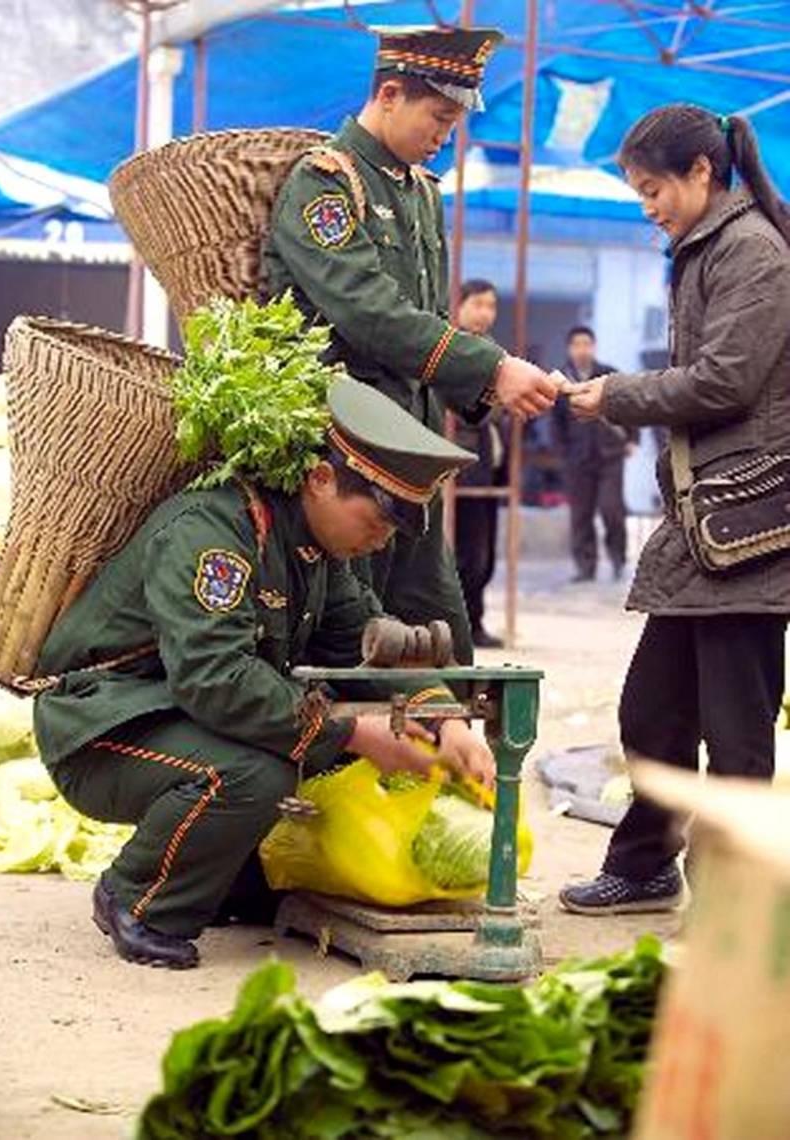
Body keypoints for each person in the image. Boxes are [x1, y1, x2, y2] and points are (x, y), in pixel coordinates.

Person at [33, 379, 496, 968]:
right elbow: (214, 676)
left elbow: (365, 644)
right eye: (379, 517)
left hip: (176, 715)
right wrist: (352, 733)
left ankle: (231, 882)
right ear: (321, 479)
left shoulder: (312, 547)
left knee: (330, 749)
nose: (383, 537)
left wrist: (442, 716)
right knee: (258, 769)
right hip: (104, 724)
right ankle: (138, 898)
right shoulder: (215, 532)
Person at [558, 105, 790, 914]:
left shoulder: (753, 251)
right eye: (639, 192)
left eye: (654, 188)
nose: (647, 205)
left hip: (749, 525)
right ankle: (647, 865)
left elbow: (727, 380)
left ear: (701, 172)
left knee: (736, 733)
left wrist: (615, 396)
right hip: (707, 526)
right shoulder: (705, 247)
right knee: (653, 711)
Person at [265, 26, 558, 662]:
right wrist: (493, 367)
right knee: (354, 654)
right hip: (346, 464)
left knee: (443, 650)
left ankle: (443, 761)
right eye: (440, 116)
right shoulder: (324, 185)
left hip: (415, 458)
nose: (445, 135)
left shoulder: (421, 192)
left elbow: (426, 320)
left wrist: (490, 389)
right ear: (390, 94)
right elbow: (370, 314)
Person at [552, 326, 638, 582]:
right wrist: (562, 452)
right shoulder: (561, 379)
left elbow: (629, 404)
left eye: (586, 344)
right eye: (577, 344)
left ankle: (618, 559)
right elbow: (555, 422)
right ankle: (585, 567)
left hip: (610, 454)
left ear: (594, 346)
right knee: (580, 514)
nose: (582, 349)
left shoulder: (608, 375)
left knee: (612, 509)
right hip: (577, 459)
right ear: (569, 348)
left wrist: (632, 439)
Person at [452, 279, 505, 648]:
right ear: (460, 305)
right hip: (463, 467)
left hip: (490, 469)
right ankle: (462, 624)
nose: (485, 313)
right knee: (467, 554)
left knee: (484, 555)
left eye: (491, 305)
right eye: (478, 304)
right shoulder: (453, 352)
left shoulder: (494, 352)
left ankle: (476, 620)